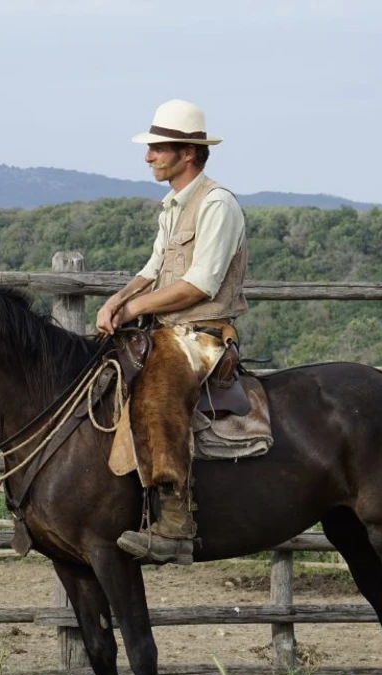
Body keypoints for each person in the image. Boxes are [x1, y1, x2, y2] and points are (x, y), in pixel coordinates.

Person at [95, 98, 249, 565]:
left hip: (202, 333)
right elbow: (153, 268)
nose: (148, 157)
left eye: (158, 149)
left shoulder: (217, 204)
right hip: (167, 327)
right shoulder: (172, 207)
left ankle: (176, 521)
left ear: (188, 154)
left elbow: (201, 283)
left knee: (158, 390)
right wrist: (117, 300)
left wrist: (135, 307)